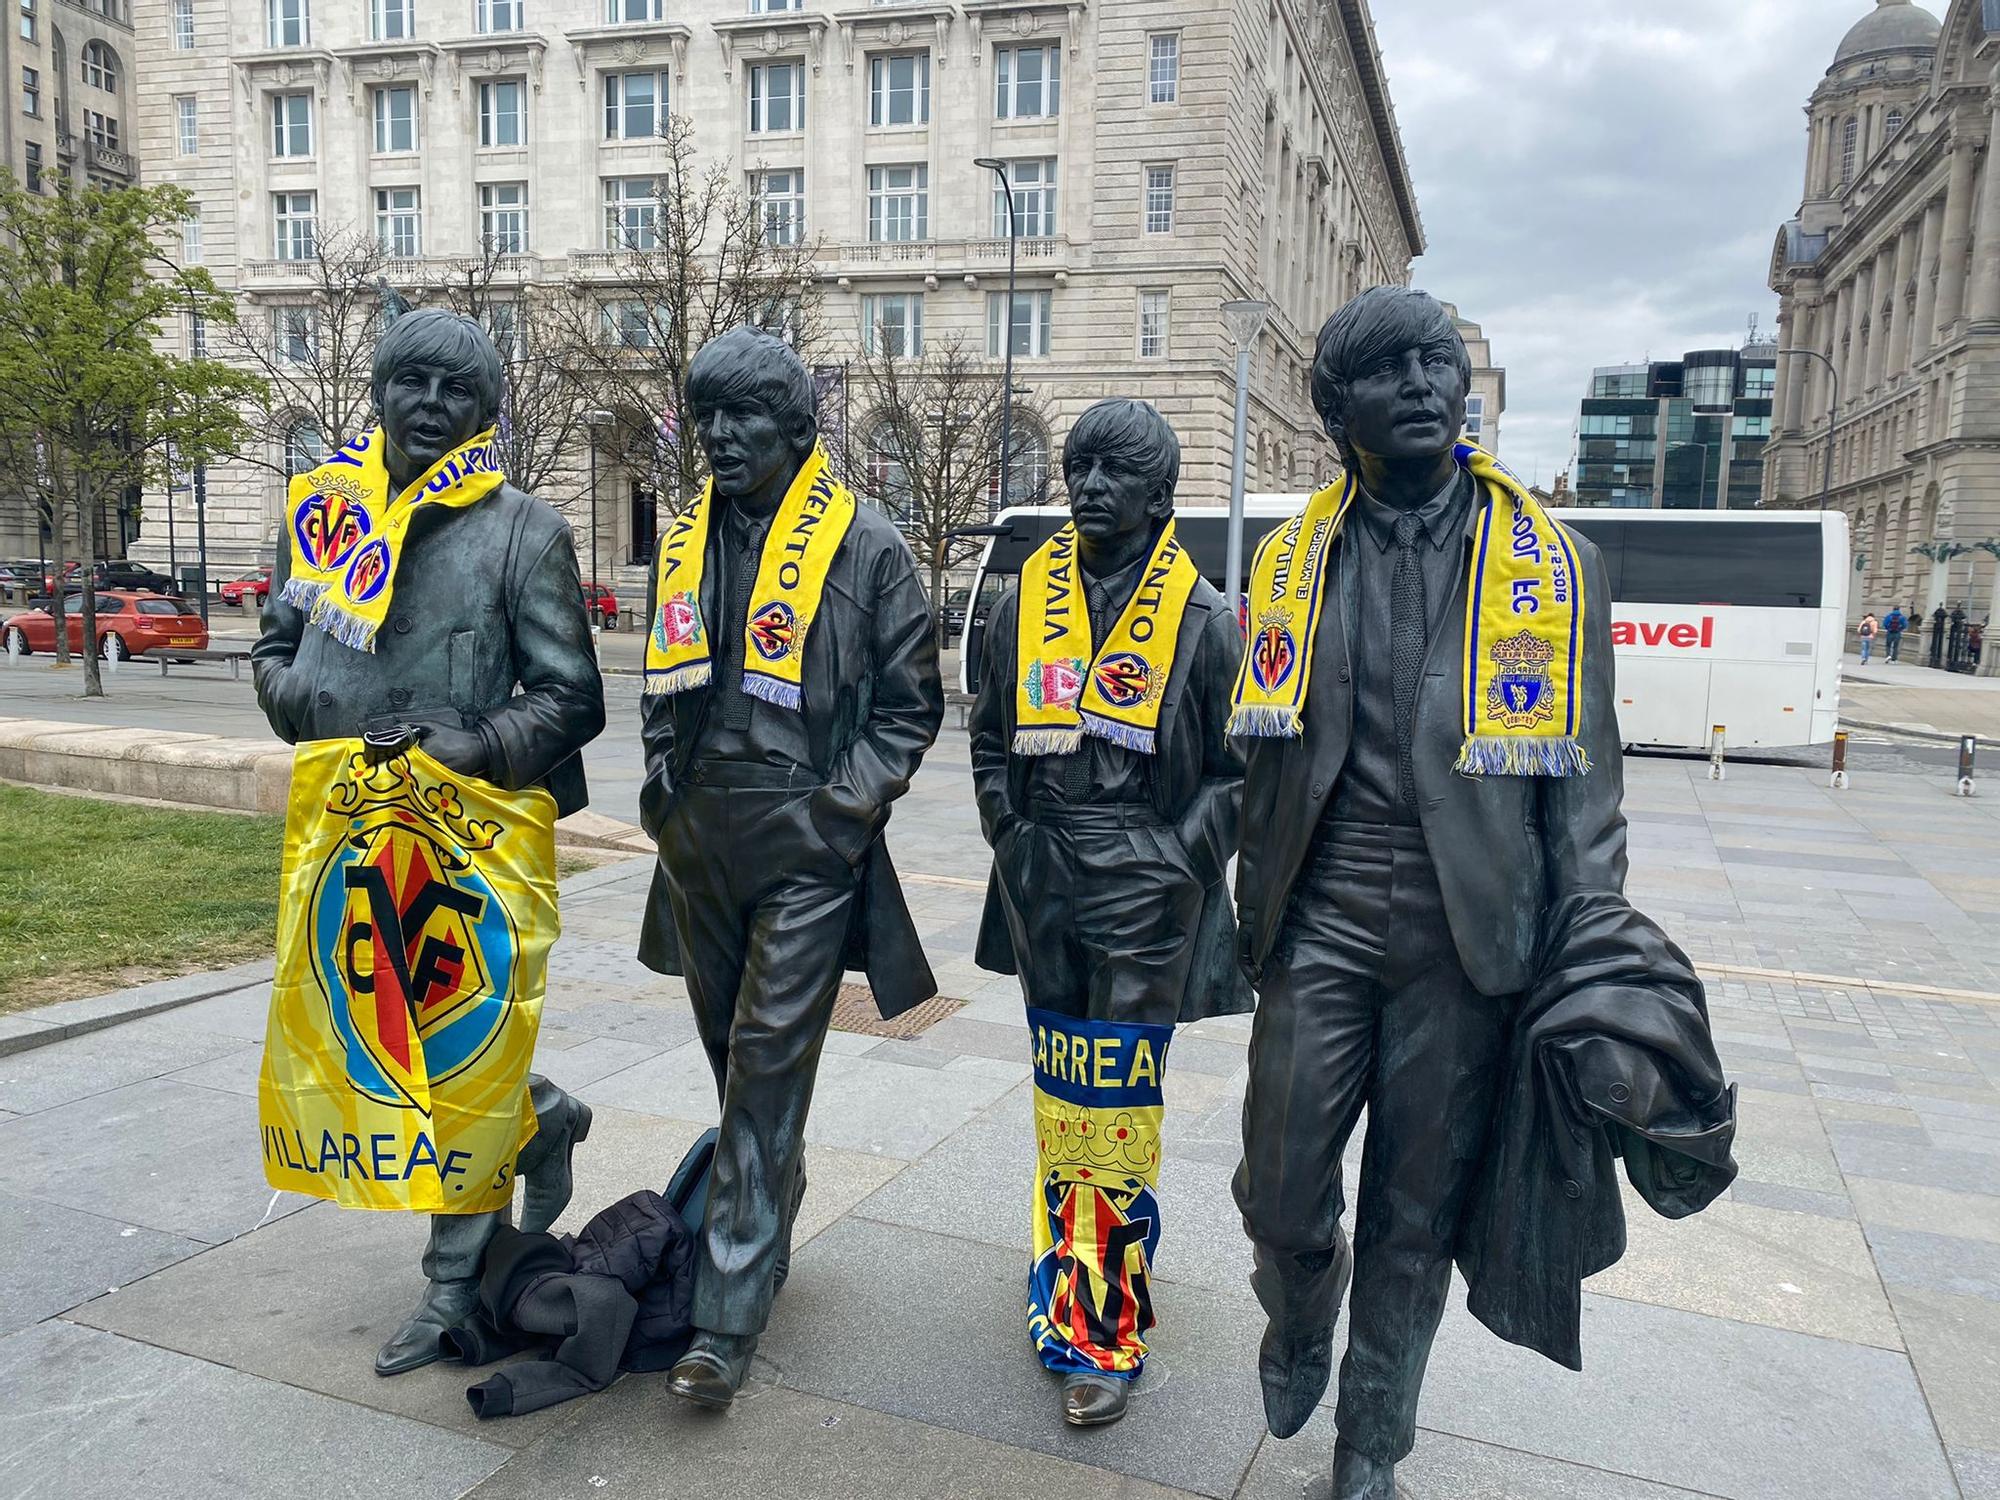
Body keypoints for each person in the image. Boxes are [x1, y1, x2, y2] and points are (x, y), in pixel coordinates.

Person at [1228, 286, 1735, 1500]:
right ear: (1332, 403)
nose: (1418, 384)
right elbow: (1258, 756)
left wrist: (1590, 946)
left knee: (1416, 1212)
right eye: (1386, 368)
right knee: (1283, 1192)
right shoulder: (1290, 557)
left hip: (1474, 944)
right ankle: (1297, 1311)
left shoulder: (1553, 567)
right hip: (1322, 919)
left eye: (1435, 364)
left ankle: (1370, 1445)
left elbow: (1587, 791)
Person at [252, 308, 604, 1376]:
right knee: (372, 1033)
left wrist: (477, 741)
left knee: (452, 1043)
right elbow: (275, 644)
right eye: (415, 384)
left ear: (486, 416)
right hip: (348, 821)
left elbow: (572, 697)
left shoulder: (523, 531)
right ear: (379, 390)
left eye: (459, 394)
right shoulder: (319, 515)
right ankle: (541, 1118)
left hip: (468, 839)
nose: (433, 408)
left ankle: (450, 1287)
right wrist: (302, 692)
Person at [635, 325, 944, 1408]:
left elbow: (910, 707)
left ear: (798, 426)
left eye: (743, 417)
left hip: (805, 839)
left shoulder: (865, 547)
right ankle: (770, 1193)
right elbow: (657, 684)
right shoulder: (684, 538)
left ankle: (723, 1320)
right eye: (706, 414)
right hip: (699, 842)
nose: (718, 435)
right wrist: (660, 794)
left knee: (766, 1063)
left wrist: (839, 814)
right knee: (733, 1059)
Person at [969, 398, 1248, 1428]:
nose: (1087, 488)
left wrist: (1175, 857)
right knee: (1059, 1099)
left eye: (1112, 473)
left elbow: (1239, 771)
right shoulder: (1017, 605)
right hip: (1044, 874)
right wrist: (1010, 832)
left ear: (1159, 497)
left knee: (1113, 1112)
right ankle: (1069, 1267)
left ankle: (1099, 1323)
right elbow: (990, 738)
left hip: (1145, 883)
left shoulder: (1205, 619)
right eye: (1078, 468)